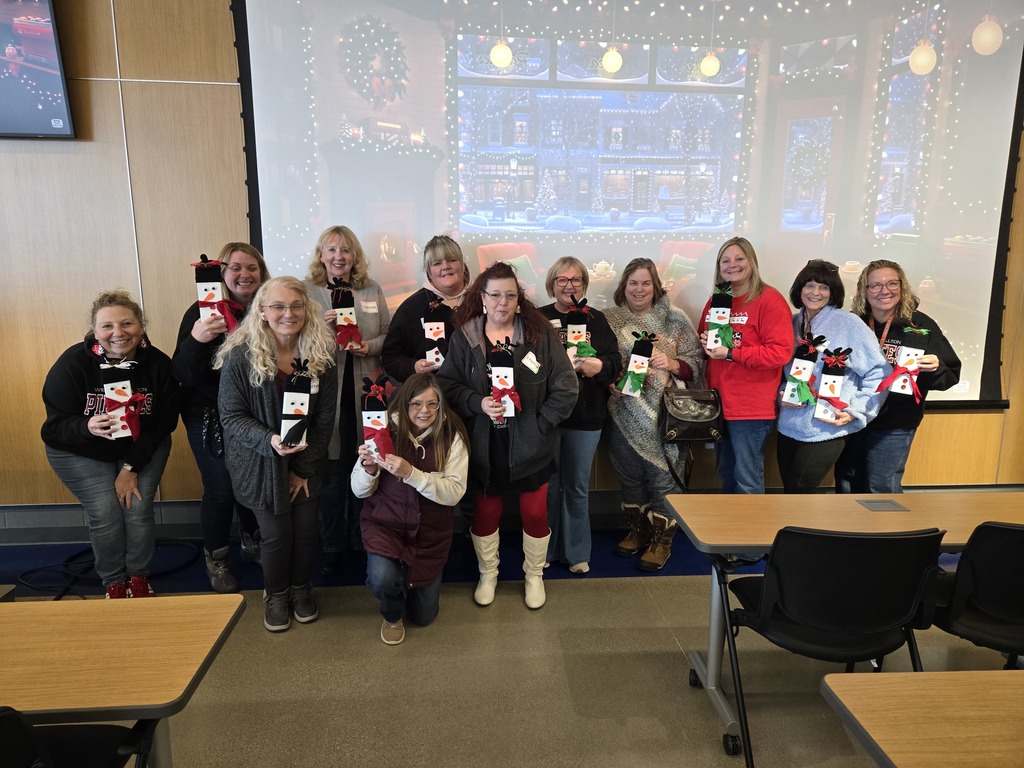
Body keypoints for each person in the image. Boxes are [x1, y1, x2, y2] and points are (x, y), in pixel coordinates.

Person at [437, 261, 578, 609]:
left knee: (534, 515)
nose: (503, 302)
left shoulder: (538, 336)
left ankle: (534, 576)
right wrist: (476, 402)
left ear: (519, 299)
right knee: (485, 515)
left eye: (510, 295)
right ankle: (489, 575)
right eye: (495, 295)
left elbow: (566, 386)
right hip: (485, 447)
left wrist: (540, 425)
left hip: (532, 447)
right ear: (482, 297)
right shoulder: (465, 337)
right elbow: (446, 384)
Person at [216, 276, 338, 632]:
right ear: (263, 312)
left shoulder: (320, 355)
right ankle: (276, 593)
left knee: (305, 531)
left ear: (307, 308)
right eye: (279, 306)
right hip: (258, 464)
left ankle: (301, 588)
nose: (289, 313)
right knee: (275, 535)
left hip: (306, 462)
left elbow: (324, 419)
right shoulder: (241, 357)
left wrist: (302, 469)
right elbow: (231, 416)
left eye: (296, 305)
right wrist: (269, 439)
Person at [42, 290, 179, 599]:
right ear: (94, 329)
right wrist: (86, 425)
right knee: (105, 512)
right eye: (107, 326)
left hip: (140, 446)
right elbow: (54, 426)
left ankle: (139, 577)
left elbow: (162, 424)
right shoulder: (73, 364)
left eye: (127, 323)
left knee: (138, 508)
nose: (118, 333)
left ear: (141, 326)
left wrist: (131, 468)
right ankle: (114, 581)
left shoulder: (157, 365)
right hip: (80, 449)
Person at [172, 242, 270, 593]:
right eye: (236, 268)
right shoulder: (201, 312)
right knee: (221, 488)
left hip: (252, 414)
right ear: (222, 274)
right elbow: (181, 373)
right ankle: (216, 557)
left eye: (253, 267)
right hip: (208, 414)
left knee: (251, 482)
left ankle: (251, 540)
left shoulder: (268, 310)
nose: (245, 274)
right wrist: (197, 340)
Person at [350, 373, 469, 645]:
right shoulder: (382, 429)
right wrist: (368, 469)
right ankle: (391, 613)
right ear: (404, 405)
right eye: (416, 404)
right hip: (385, 524)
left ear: (440, 405)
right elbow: (358, 490)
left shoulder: (452, 437)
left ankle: (407, 577)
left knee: (424, 617)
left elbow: (454, 493)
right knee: (381, 579)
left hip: (429, 531)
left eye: (432, 404)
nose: (424, 411)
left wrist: (411, 473)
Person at [604, 258, 704, 570]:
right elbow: (602, 361)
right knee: (630, 477)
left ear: (655, 285)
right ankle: (639, 529)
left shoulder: (674, 319)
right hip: (623, 413)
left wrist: (673, 364)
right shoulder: (610, 319)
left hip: (665, 417)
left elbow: (696, 360)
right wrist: (609, 383)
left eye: (646, 283)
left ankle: (663, 540)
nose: (639, 289)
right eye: (633, 282)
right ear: (624, 286)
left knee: (662, 479)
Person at [303, 225, 391, 576]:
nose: (339, 256)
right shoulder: (307, 292)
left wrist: (368, 346)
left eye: (346, 250)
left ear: (355, 256)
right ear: (321, 255)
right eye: (332, 250)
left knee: (368, 466)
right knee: (332, 475)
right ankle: (332, 545)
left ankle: (361, 539)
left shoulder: (370, 289)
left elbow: (388, 334)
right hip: (326, 394)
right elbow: (294, 338)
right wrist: (324, 330)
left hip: (366, 392)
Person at [834, 259, 961, 493]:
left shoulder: (920, 324)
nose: (885, 291)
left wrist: (936, 367)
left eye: (892, 283)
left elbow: (951, 374)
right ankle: (849, 530)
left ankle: (886, 530)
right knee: (846, 480)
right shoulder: (854, 323)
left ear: (902, 287)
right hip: (854, 417)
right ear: (864, 290)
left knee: (880, 486)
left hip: (894, 423)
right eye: (876, 285)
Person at [776, 260, 890, 493]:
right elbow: (783, 370)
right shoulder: (791, 323)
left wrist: (856, 411)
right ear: (799, 289)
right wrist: (780, 395)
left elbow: (879, 371)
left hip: (828, 426)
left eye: (824, 287)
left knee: (800, 490)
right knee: (789, 491)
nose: (815, 293)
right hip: (789, 423)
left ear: (833, 292)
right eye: (809, 285)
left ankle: (801, 531)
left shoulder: (848, 323)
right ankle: (792, 530)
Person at [538, 256, 620, 574]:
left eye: (575, 281)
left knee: (576, 486)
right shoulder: (538, 318)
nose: (568, 286)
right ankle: (544, 548)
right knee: (548, 484)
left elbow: (613, 360)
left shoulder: (595, 319)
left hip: (586, 416)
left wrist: (596, 366)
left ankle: (576, 552)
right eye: (562, 280)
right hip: (547, 416)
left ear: (584, 284)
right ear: (552, 283)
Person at [698, 237, 793, 494]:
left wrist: (731, 353)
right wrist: (705, 342)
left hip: (751, 408)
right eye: (725, 260)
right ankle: (731, 533)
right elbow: (704, 344)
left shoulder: (769, 300)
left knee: (747, 479)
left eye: (739, 259)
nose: (732, 265)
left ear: (752, 262)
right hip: (718, 404)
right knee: (727, 474)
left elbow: (780, 352)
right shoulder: (717, 300)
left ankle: (752, 535)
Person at [382, 233, 471, 382]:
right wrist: (414, 367)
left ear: (462, 264)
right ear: (428, 271)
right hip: (432, 395)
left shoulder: (483, 300)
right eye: (437, 263)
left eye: (452, 260)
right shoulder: (411, 308)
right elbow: (390, 358)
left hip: (478, 398)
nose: (446, 267)